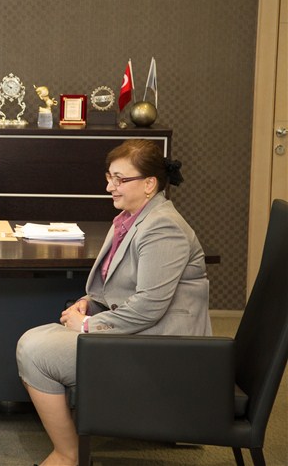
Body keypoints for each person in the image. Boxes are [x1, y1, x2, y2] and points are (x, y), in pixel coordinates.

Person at [16, 139, 211, 466]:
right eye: (109, 177)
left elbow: (149, 306)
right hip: (140, 335)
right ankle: (71, 452)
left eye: (120, 179)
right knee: (32, 340)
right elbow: (120, 288)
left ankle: (68, 456)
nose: (110, 187)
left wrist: (88, 325)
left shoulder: (163, 226)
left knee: (35, 352)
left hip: (164, 349)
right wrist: (87, 302)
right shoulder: (129, 219)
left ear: (149, 184)